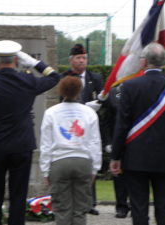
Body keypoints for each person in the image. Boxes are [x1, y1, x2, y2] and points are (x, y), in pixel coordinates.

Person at [0, 40, 60, 225]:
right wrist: (36, 63)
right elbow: (54, 77)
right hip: (22, 145)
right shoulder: (28, 80)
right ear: (17, 60)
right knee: (18, 197)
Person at [110, 42, 165, 225]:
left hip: (136, 157)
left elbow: (122, 125)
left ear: (143, 62)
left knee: (139, 209)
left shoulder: (129, 86)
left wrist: (115, 156)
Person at [39, 75, 102, 225]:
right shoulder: (89, 112)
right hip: (83, 161)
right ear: (80, 90)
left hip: (59, 162)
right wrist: (95, 169)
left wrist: (45, 170)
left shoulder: (51, 112)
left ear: (61, 91)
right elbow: (95, 142)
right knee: (80, 210)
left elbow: (46, 144)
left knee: (62, 209)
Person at [61, 43, 103, 215]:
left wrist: (99, 103)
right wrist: (85, 107)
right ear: (71, 60)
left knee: (89, 161)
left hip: (90, 127)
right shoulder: (64, 77)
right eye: (78, 58)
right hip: (70, 128)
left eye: (84, 58)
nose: (82, 61)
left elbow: (104, 99)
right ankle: (71, 200)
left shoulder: (96, 78)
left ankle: (90, 202)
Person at [102, 85, 130, 218]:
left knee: (136, 174)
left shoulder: (140, 89)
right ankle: (121, 206)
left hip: (135, 140)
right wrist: (108, 141)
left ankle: (136, 205)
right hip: (117, 139)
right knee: (118, 175)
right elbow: (107, 119)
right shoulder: (113, 92)